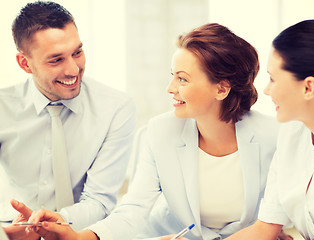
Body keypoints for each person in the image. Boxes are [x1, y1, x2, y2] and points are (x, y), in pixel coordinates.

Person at [17, 23, 292, 240]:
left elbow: (280, 214)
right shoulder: (160, 132)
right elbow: (133, 208)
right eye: (172, 76)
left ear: (221, 88)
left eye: (182, 79)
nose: (170, 88)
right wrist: (81, 237)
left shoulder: (273, 137)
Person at [0, 1, 136, 239]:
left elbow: (100, 200)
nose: (74, 70)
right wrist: (9, 229)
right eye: (56, 60)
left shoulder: (116, 108)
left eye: (77, 52)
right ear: (25, 63)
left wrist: (57, 222)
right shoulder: (3, 108)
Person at [217, 19, 314, 239]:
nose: (266, 90)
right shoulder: (293, 133)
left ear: (308, 87)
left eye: (273, 79)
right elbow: (264, 228)